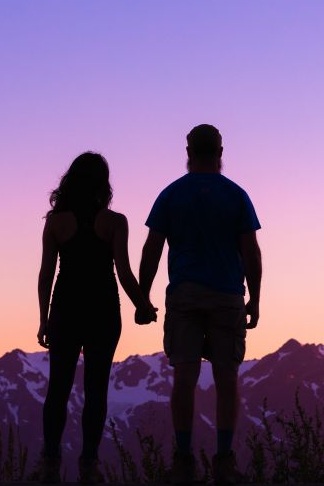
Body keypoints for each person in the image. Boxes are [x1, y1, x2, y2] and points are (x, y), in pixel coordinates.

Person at [137, 125, 262, 484]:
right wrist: (255, 297)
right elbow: (250, 252)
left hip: (185, 295)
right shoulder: (237, 196)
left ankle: (183, 461)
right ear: (221, 151)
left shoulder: (171, 194)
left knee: (184, 378)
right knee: (227, 378)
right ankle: (224, 461)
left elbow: (152, 248)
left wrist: (143, 294)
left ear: (188, 151)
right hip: (227, 296)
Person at [38, 152, 157, 484]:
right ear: (103, 184)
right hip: (103, 310)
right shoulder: (115, 222)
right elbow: (124, 272)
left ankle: (49, 463)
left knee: (58, 388)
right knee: (96, 389)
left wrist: (43, 318)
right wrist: (143, 305)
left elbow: (47, 273)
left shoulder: (56, 222)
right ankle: (89, 464)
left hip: (65, 308)